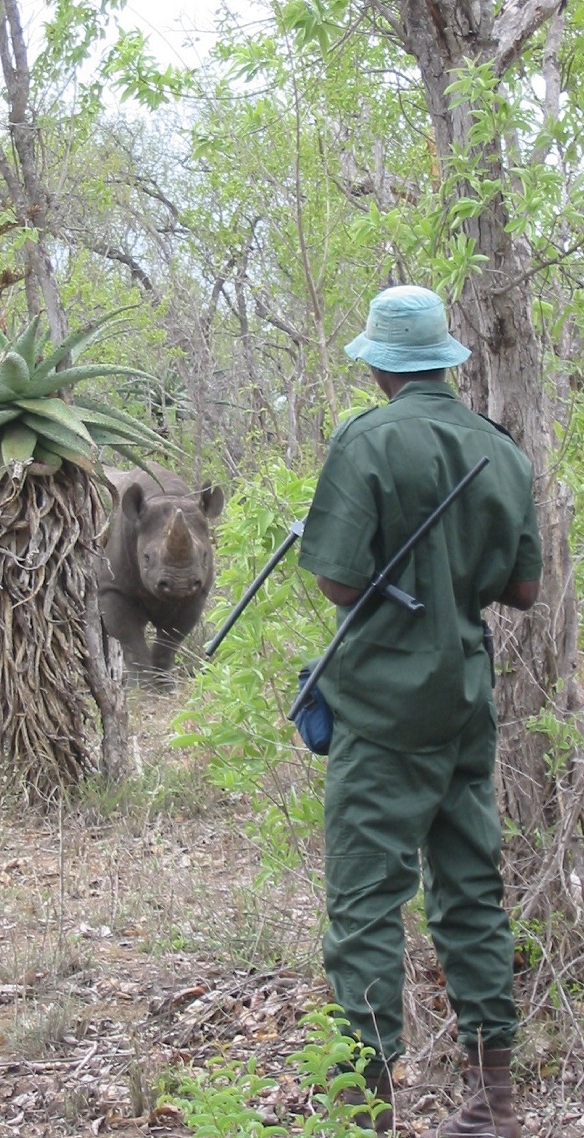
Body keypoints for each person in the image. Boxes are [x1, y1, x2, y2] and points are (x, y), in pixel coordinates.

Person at [297, 285, 542, 1137]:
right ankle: (492, 1106)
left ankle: (364, 1115)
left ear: (376, 363)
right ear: (445, 358)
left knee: (365, 902)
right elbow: (521, 590)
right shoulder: (500, 451)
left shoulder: (366, 440)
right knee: (471, 890)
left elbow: (334, 577)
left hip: (379, 708)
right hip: (464, 701)